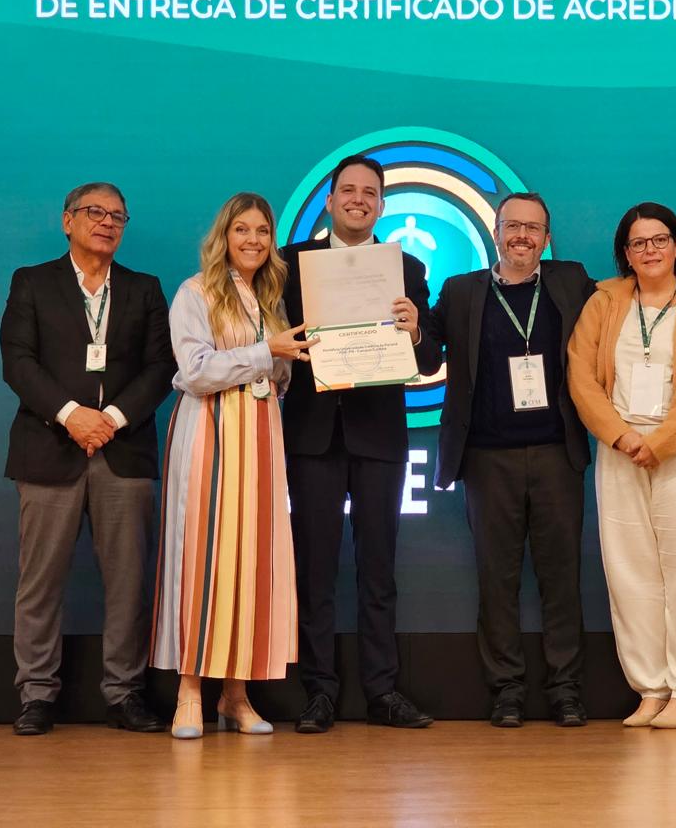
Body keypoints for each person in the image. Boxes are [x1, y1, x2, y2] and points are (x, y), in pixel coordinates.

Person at [0, 182, 174, 735]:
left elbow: (159, 368)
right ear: (67, 220)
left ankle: (124, 694)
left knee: (128, 581)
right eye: (94, 212)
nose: (106, 222)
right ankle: (36, 695)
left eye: (117, 215)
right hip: (49, 448)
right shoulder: (31, 282)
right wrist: (72, 413)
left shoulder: (145, 289)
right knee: (39, 581)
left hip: (123, 451)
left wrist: (112, 420)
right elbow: (18, 362)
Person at [281, 154, 444, 732]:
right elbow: (270, 344)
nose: (357, 200)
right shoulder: (287, 264)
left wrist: (416, 327)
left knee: (379, 569)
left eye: (369, 193)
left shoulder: (409, 268)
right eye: (347, 191)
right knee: (315, 567)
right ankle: (319, 691)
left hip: (379, 436)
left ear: (381, 204)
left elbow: (429, 360)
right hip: (312, 433)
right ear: (328, 201)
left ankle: (382, 691)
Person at [427, 193, 595, 728]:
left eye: (534, 228)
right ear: (495, 231)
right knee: (495, 580)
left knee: (561, 578)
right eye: (513, 226)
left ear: (548, 238)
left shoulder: (571, 282)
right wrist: (409, 328)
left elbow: (633, 298)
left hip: (556, 454)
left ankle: (566, 689)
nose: (522, 236)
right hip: (486, 459)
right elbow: (427, 351)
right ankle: (506, 691)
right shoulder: (460, 291)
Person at [568, 202, 676, 729]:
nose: (650, 251)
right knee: (630, 573)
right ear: (625, 253)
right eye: (638, 244)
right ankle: (651, 687)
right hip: (618, 453)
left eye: (659, 240)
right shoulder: (603, 303)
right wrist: (619, 435)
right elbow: (581, 374)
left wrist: (659, 441)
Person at [150, 193, 310, 738]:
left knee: (251, 563)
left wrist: (285, 362)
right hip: (209, 438)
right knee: (203, 562)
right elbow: (194, 371)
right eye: (242, 230)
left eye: (262, 231)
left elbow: (277, 375)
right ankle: (190, 691)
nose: (253, 240)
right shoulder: (195, 292)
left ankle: (236, 696)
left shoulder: (269, 299)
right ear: (224, 236)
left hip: (261, 438)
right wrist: (269, 354)